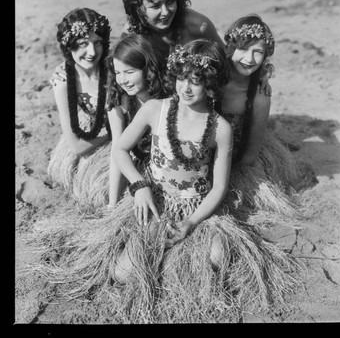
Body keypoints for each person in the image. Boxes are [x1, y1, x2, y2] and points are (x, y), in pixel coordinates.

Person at [33, 39, 301, 323]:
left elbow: (220, 186)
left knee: (218, 257)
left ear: (210, 85)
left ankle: (181, 258)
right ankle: (155, 258)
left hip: (197, 208)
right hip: (156, 202)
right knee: (123, 274)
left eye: (196, 82)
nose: (186, 88)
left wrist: (191, 222)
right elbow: (121, 149)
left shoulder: (220, 128)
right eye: (182, 78)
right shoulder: (155, 110)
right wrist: (139, 185)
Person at [219, 14, 317, 220]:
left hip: (231, 154)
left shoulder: (259, 95)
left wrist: (221, 178)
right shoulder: (212, 72)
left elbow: (250, 155)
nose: (249, 59)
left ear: (265, 57)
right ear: (231, 47)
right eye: (244, 49)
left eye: (258, 52)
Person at [121, 0, 274, 95]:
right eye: (155, 6)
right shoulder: (131, 33)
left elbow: (227, 59)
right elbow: (117, 73)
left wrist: (260, 74)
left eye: (170, 1)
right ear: (138, 7)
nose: (166, 11)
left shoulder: (198, 25)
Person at [47, 7, 112, 210]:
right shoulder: (64, 82)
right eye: (83, 44)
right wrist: (112, 133)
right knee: (101, 192)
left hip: (120, 137)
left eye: (97, 43)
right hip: (90, 144)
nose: (92, 52)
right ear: (69, 46)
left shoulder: (114, 69)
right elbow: (76, 147)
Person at [105, 33, 167, 207]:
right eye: (118, 73)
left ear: (148, 69)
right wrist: (112, 202)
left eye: (129, 72)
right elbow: (116, 149)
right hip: (137, 167)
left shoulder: (168, 97)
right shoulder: (120, 102)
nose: (123, 80)